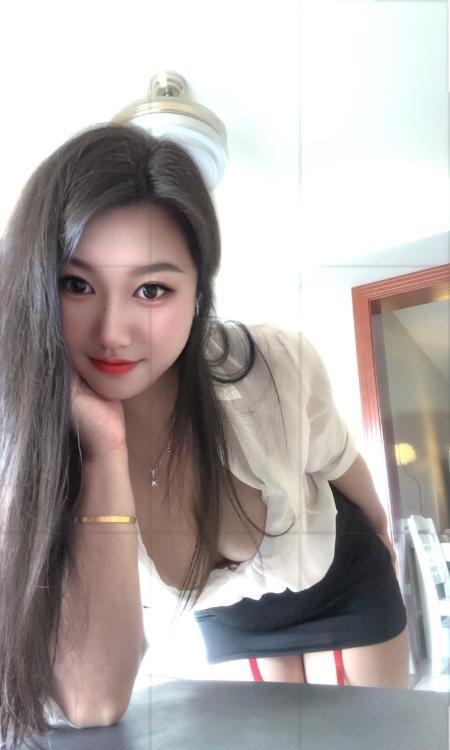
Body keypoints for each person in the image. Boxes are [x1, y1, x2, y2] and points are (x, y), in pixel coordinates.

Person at [0, 123, 408, 747]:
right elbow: (91, 701)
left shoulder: (272, 366)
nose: (113, 332)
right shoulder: (29, 455)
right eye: (76, 284)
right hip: (236, 619)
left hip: (343, 574)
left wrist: (381, 531)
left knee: (380, 737)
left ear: (197, 295)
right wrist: (105, 453)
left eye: (152, 289)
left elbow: (338, 459)